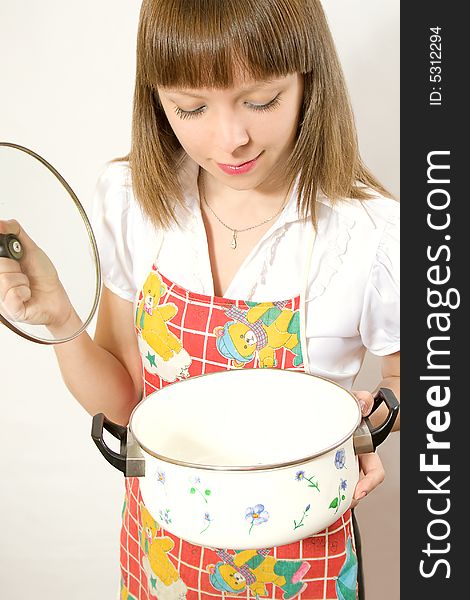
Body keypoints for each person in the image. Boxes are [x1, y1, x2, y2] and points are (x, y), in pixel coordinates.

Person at [0, 0, 400, 598]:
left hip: (303, 563)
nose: (231, 140)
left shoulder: (369, 232)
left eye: (261, 101)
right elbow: (123, 402)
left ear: (309, 79)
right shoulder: (133, 200)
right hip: (163, 555)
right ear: (155, 98)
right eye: (190, 108)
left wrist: (375, 419)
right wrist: (59, 318)